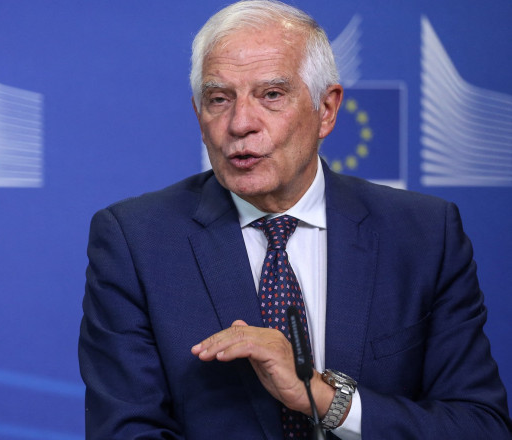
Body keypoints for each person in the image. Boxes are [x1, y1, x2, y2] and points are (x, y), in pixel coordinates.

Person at [78, 1, 512, 438]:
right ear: (198, 114)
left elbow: (481, 427)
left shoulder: (424, 234)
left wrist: (323, 398)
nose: (240, 123)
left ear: (326, 109)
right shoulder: (137, 242)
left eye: (271, 95)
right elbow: (126, 431)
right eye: (219, 99)